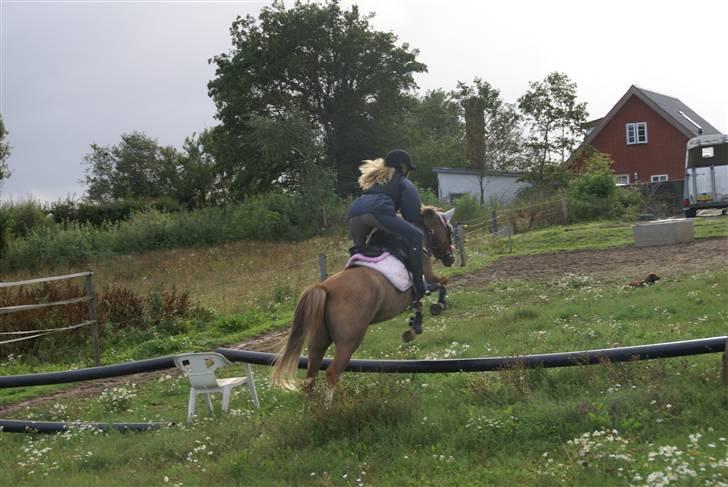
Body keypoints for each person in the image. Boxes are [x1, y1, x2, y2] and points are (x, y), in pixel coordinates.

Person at [347, 149, 428, 301]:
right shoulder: (403, 182)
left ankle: (353, 286)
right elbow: (411, 216)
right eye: (408, 169)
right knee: (416, 236)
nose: (408, 172)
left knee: (361, 252)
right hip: (377, 211)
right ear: (403, 167)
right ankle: (419, 285)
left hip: (354, 213)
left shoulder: (377, 182)